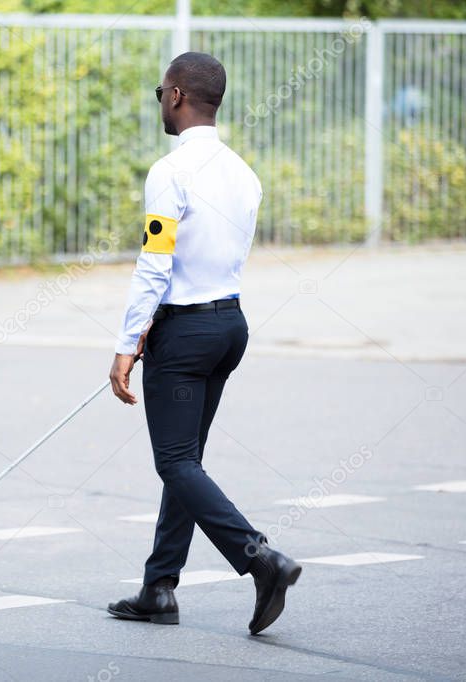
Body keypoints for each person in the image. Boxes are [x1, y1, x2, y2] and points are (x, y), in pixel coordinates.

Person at [106, 52, 300, 635]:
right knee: (185, 462)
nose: (159, 100)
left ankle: (259, 557)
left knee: (174, 461)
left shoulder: (170, 171)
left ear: (175, 96)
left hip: (185, 331)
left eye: (160, 91)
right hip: (229, 325)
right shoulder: (244, 173)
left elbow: (154, 262)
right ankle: (158, 588)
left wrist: (126, 341)